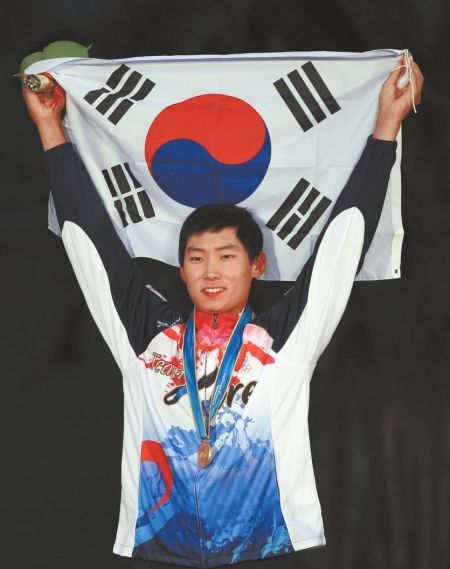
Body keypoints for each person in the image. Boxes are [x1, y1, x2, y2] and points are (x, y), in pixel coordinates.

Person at [23, 58, 423, 569]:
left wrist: (386, 126)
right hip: (158, 551)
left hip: (265, 549)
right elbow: (89, 236)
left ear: (257, 265)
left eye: (227, 256)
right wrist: (49, 126)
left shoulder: (285, 340)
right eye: (197, 258)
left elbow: (341, 244)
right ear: (182, 269)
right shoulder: (144, 335)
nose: (211, 271)